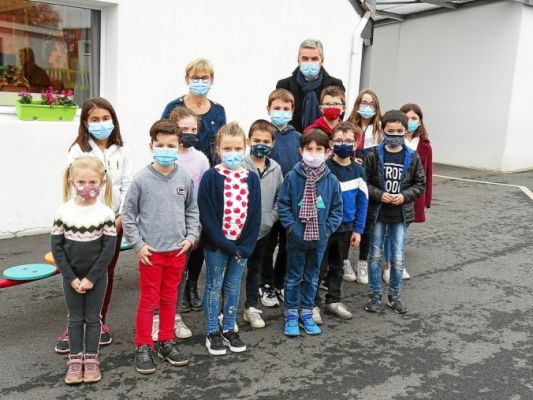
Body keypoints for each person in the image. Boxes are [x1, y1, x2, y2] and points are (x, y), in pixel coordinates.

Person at [55, 97, 132, 354]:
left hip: (112, 224)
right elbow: (69, 187)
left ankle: (100, 320)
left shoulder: (122, 150)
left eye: (105, 118)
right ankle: (73, 323)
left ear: (114, 120)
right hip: (80, 226)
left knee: (104, 272)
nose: (101, 124)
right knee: (76, 273)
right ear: (86, 123)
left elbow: (127, 186)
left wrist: (120, 218)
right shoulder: (77, 150)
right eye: (95, 119)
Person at [122, 119, 200, 374]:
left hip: (177, 252)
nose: (165, 149)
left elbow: (192, 209)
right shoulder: (142, 179)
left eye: (170, 145)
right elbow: (128, 215)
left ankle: (166, 340)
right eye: (160, 145)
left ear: (178, 147)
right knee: (148, 300)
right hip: (151, 254)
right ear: (151, 145)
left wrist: (190, 237)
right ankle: (143, 344)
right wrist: (138, 245)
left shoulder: (184, 177)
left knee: (169, 299)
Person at [51, 156, 117, 384]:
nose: (87, 187)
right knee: (75, 318)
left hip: (96, 279)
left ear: (101, 183)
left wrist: (90, 278)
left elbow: (107, 251)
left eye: (92, 182)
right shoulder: (63, 212)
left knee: (93, 318)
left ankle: (91, 358)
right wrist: (71, 278)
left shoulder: (106, 214)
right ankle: (75, 359)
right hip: (71, 279)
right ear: (71, 181)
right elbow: (57, 249)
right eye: (81, 182)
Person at [198, 122, 261, 355]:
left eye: (237, 148)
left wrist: (245, 246)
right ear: (218, 148)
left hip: (241, 247)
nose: (232, 154)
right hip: (217, 245)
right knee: (214, 285)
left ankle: (229, 328)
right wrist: (225, 244)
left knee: (234, 286)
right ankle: (212, 331)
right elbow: (207, 215)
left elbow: (254, 214)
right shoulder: (210, 177)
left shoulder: (251, 178)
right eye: (227, 148)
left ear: (245, 147)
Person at [278, 129, 343, 336]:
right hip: (296, 237)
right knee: (293, 276)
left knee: (312, 277)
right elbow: (284, 205)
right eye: (309, 149)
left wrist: (327, 230)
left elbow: (337, 210)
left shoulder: (331, 180)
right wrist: (291, 227)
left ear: (327, 152)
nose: (313, 153)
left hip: (319, 239)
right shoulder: (292, 176)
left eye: (319, 149)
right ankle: (290, 314)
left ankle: (306, 312)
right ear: (301, 150)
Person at [363, 110, 426, 315]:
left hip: (400, 215)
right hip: (378, 213)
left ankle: (394, 296)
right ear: (383, 130)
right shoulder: (372, 154)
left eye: (399, 131)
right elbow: (364, 183)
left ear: (405, 130)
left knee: (398, 258)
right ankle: (374, 295)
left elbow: (420, 184)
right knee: (374, 256)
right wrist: (380, 195)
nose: (395, 134)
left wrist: (404, 196)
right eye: (390, 130)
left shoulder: (412, 156)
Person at [314, 122, 368, 321]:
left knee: (338, 266)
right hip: (325, 227)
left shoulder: (359, 171)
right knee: (318, 266)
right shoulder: (323, 168)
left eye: (348, 141)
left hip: (346, 228)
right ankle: (312, 304)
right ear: (331, 143)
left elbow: (363, 202)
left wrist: (358, 229)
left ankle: (333, 301)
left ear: (355, 144)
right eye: (339, 140)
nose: (343, 144)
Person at [165, 106, 210, 340]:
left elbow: (204, 192)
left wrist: (200, 225)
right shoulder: (167, 156)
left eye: (193, 129)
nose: (190, 133)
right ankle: (167, 310)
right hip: (170, 223)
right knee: (172, 270)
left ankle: (189, 290)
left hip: (194, 221)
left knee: (190, 263)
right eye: (184, 129)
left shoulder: (201, 159)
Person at [260, 88, 302, 307]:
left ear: (293, 111)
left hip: (291, 202)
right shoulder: (264, 136)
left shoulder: (297, 138)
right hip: (268, 200)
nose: (281, 112)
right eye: (277, 108)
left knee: (288, 243)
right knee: (267, 242)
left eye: (286, 109)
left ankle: (279, 281)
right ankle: (265, 282)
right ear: (268, 109)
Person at [383, 103, 433, 283]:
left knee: (402, 231)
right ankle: (389, 265)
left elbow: (427, 174)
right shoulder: (392, 140)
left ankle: (398, 263)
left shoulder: (425, 145)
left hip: (411, 196)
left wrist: (426, 199)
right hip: (391, 192)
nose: (410, 121)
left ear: (420, 122)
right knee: (390, 232)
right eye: (407, 117)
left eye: (414, 118)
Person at [243, 120, 283, 328]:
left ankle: (251, 306)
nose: (261, 144)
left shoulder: (275, 168)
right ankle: (227, 311)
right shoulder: (240, 165)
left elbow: (279, 196)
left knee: (256, 269)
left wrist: (271, 216)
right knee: (233, 272)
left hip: (264, 229)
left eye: (265, 141)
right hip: (241, 231)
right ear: (249, 140)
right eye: (256, 140)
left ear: (273, 143)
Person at [346, 89, 383, 285]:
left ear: (376, 107)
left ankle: (362, 263)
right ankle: (344, 261)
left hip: (372, 181)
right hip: (352, 178)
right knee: (347, 220)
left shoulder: (380, 129)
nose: (367, 107)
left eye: (371, 104)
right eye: (364, 102)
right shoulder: (351, 126)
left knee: (367, 223)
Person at [161, 58, 226, 165]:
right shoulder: (173, 107)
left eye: (205, 78)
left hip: (210, 171)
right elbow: (161, 139)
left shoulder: (218, 111)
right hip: (178, 169)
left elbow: (222, 144)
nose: (200, 82)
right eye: (195, 78)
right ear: (187, 79)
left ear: (212, 80)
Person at [276, 39, 345, 133]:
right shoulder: (284, 85)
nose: (309, 62)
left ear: (322, 60)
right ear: (298, 60)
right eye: (305, 58)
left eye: (314, 59)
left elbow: (338, 117)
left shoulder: (336, 84)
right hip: (292, 140)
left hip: (324, 142)